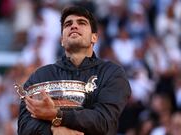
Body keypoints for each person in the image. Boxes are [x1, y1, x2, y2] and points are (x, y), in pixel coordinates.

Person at [18, 5, 131, 135]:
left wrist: (57, 115)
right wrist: (54, 130)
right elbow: (24, 127)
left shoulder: (111, 73)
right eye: (68, 24)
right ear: (61, 40)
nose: (74, 26)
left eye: (82, 23)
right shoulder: (40, 76)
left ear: (94, 37)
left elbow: (104, 121)